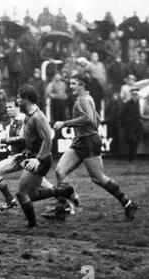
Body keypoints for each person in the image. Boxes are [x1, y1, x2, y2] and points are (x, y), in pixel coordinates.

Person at [53, 74, 139, 221]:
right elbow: (97, 119)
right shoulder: (86, 99)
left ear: (82, 84)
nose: (71, 86)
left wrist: (64, 123)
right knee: (60, 171)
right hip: (80, 141)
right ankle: (63, 208)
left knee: (98, 178)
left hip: (88, 142)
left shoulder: (85, 99)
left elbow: (89, 119)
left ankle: (128, 203)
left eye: (74, 84)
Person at [0, 85, 78, 228]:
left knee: (21, 193)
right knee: (32, 195)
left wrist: (38, 158)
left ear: (26, 99)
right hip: (34, 158)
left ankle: (32, 225)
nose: (17, 101)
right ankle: (64, 191)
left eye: (19, 98)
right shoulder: (29, 116)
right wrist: (24, 154)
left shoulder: (38, 117)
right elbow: (27, 139)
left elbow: (48, 140)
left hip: (41, 160)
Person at [120, 88, 144, 162]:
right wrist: (123, 125)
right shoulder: (127, 104)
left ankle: (132, 158)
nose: (135, 96)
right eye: (133, 94)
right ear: (131, 95)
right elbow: (122, 115)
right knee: (132, 142)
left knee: (136, 142)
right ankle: (131, 158)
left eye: (136, 94)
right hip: (130, 126)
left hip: (138, 126)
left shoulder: (140, 104)